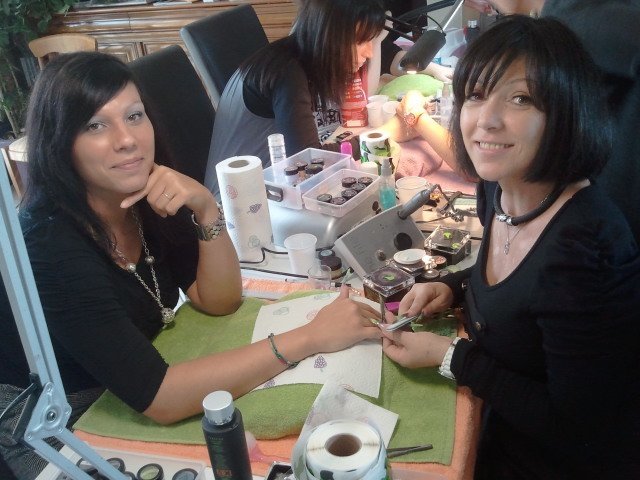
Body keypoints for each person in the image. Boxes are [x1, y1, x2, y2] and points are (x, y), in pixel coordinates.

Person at [0, 52, 383, 479]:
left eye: (134, 116)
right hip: (56, 415)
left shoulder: (142, 193)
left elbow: (218, 299)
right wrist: (310, 337)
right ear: (60, 142)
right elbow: (161, 398)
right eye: (95, 126)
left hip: (134, 374)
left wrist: (205, 207)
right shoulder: (49, 247)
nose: (127, 140)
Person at [381, 16, 640, 478]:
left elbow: (579, 429)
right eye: (476, 95)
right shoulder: (497, 188)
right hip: (496, 422)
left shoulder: (586, 250)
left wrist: (450, 357)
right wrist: (453, 288)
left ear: (563, 113)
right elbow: (522, 289)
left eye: (520, 99)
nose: (487, 119)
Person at [204, 0, 386, 199]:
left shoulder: (301, 56)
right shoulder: (288, 74)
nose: (369, 53)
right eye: (360, 41)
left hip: (272, 186)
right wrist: (382, 136)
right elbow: (309, 161)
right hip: (239, 202)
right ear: (328, 36)